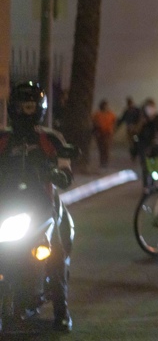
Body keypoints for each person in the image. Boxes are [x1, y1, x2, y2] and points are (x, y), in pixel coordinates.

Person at [0, 81, 76, 332]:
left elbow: (65, 169)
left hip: (42, 205)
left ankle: (61, 311)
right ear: (13, 107)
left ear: (39, 108)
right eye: (21, 105)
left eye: (30, 105)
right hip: (7, 204)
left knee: (54, 252)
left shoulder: (51, 138)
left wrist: (58, 174)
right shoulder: (3, 138)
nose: (25, 110)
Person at [91, 99, 116, 170]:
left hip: (108, 134)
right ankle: (102, 162)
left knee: (106, 148)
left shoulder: (110, 114)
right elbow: (94, 123)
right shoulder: (97, 114)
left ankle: (105, 162)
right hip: (100, 134)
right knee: (101, 148)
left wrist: (112, 130)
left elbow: (114, 122)